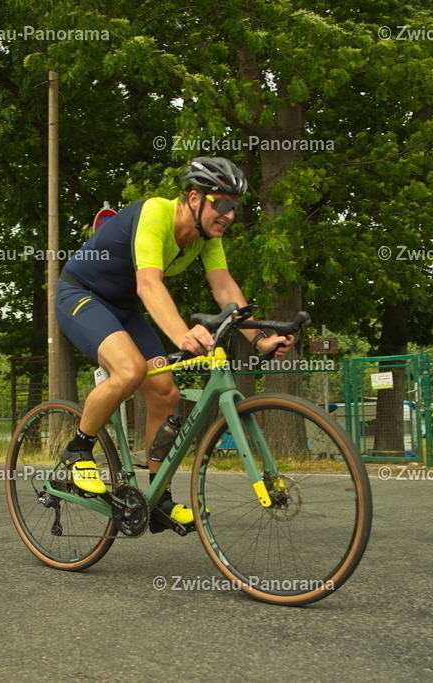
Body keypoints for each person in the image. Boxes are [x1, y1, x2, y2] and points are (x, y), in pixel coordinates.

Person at [55, 156, 294, 532]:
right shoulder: (156, 213)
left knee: (165, 392)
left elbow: (225, 289)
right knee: (131, 370)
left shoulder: (205, 239)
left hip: (122, 308)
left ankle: (159, 500)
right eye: (224, 203)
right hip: (80, 295)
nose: (230, 215)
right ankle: (78, 450)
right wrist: (182, 334)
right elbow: (148, 284)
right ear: (195, 198)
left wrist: (260, 340)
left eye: (236, 206)